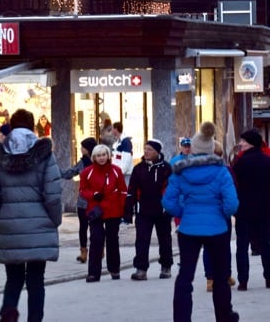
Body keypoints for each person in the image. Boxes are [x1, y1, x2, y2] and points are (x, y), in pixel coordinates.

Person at [0, 109, 62, 322]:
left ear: (11, 125)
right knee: (36, 280)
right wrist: (55, 220)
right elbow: (53, 194)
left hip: (8, 226)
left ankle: (8, 313)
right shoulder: (45, 153)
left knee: (14, 278)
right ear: (33, 126)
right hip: (39, 225)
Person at [163, 123, 240, 322]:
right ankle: (224, 316)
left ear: (194, 149)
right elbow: (232, 203)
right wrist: (221, 213)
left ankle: (181, 318)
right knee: (221, 277)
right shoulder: (221, 172)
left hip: (188, 229)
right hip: (217, 229)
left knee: (185, 276)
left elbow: (168, 202)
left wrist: (185, 212)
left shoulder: (180, 172)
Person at [232, 129, 270, 290]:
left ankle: (243, 280)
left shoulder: (240, 162)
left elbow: (235, 183)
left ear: (250, 142)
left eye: (243, 141)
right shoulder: (268, 161)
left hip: (244, 207)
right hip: (264, 206)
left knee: (242, 245)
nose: (241, 144)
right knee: (265, 243)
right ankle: (269, 277)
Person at [124, 139, 174, 280]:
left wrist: (169, 207)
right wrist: (128, 211)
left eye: (150, 149)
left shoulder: (166, 168)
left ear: (157, 152)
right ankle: (141, 269)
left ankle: (166, 266)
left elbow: (170, 189)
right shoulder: (138, 168)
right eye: (145, 149)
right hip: (143, 210)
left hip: (162, 211)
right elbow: (131, 190)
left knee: (164, 239)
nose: (146, 152)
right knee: (141, 240)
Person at [79, 143, 128, 282]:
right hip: (96, 211)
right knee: (96, 240)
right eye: (98, 155)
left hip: (113, 210)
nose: (101, 158)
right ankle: (93, 273)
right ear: (94, 157)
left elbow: (123, 190)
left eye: (103, 155)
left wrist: (124, 209)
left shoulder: (116, 171)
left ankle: (114, 269)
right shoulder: (87, 172)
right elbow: (82, 190)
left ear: (108, 155)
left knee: (112, 240)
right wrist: (93, 194)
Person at [61, 136, 97, 264]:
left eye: (82, 147)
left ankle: (98, 248)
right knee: (83, 226)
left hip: (96, 201)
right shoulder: (82, 163)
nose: (81, 149)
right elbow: (70, 173)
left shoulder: (99, 160)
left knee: (96, 226)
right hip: (82, 201)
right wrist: (55, 172)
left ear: (88, 149)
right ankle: (83, 251)